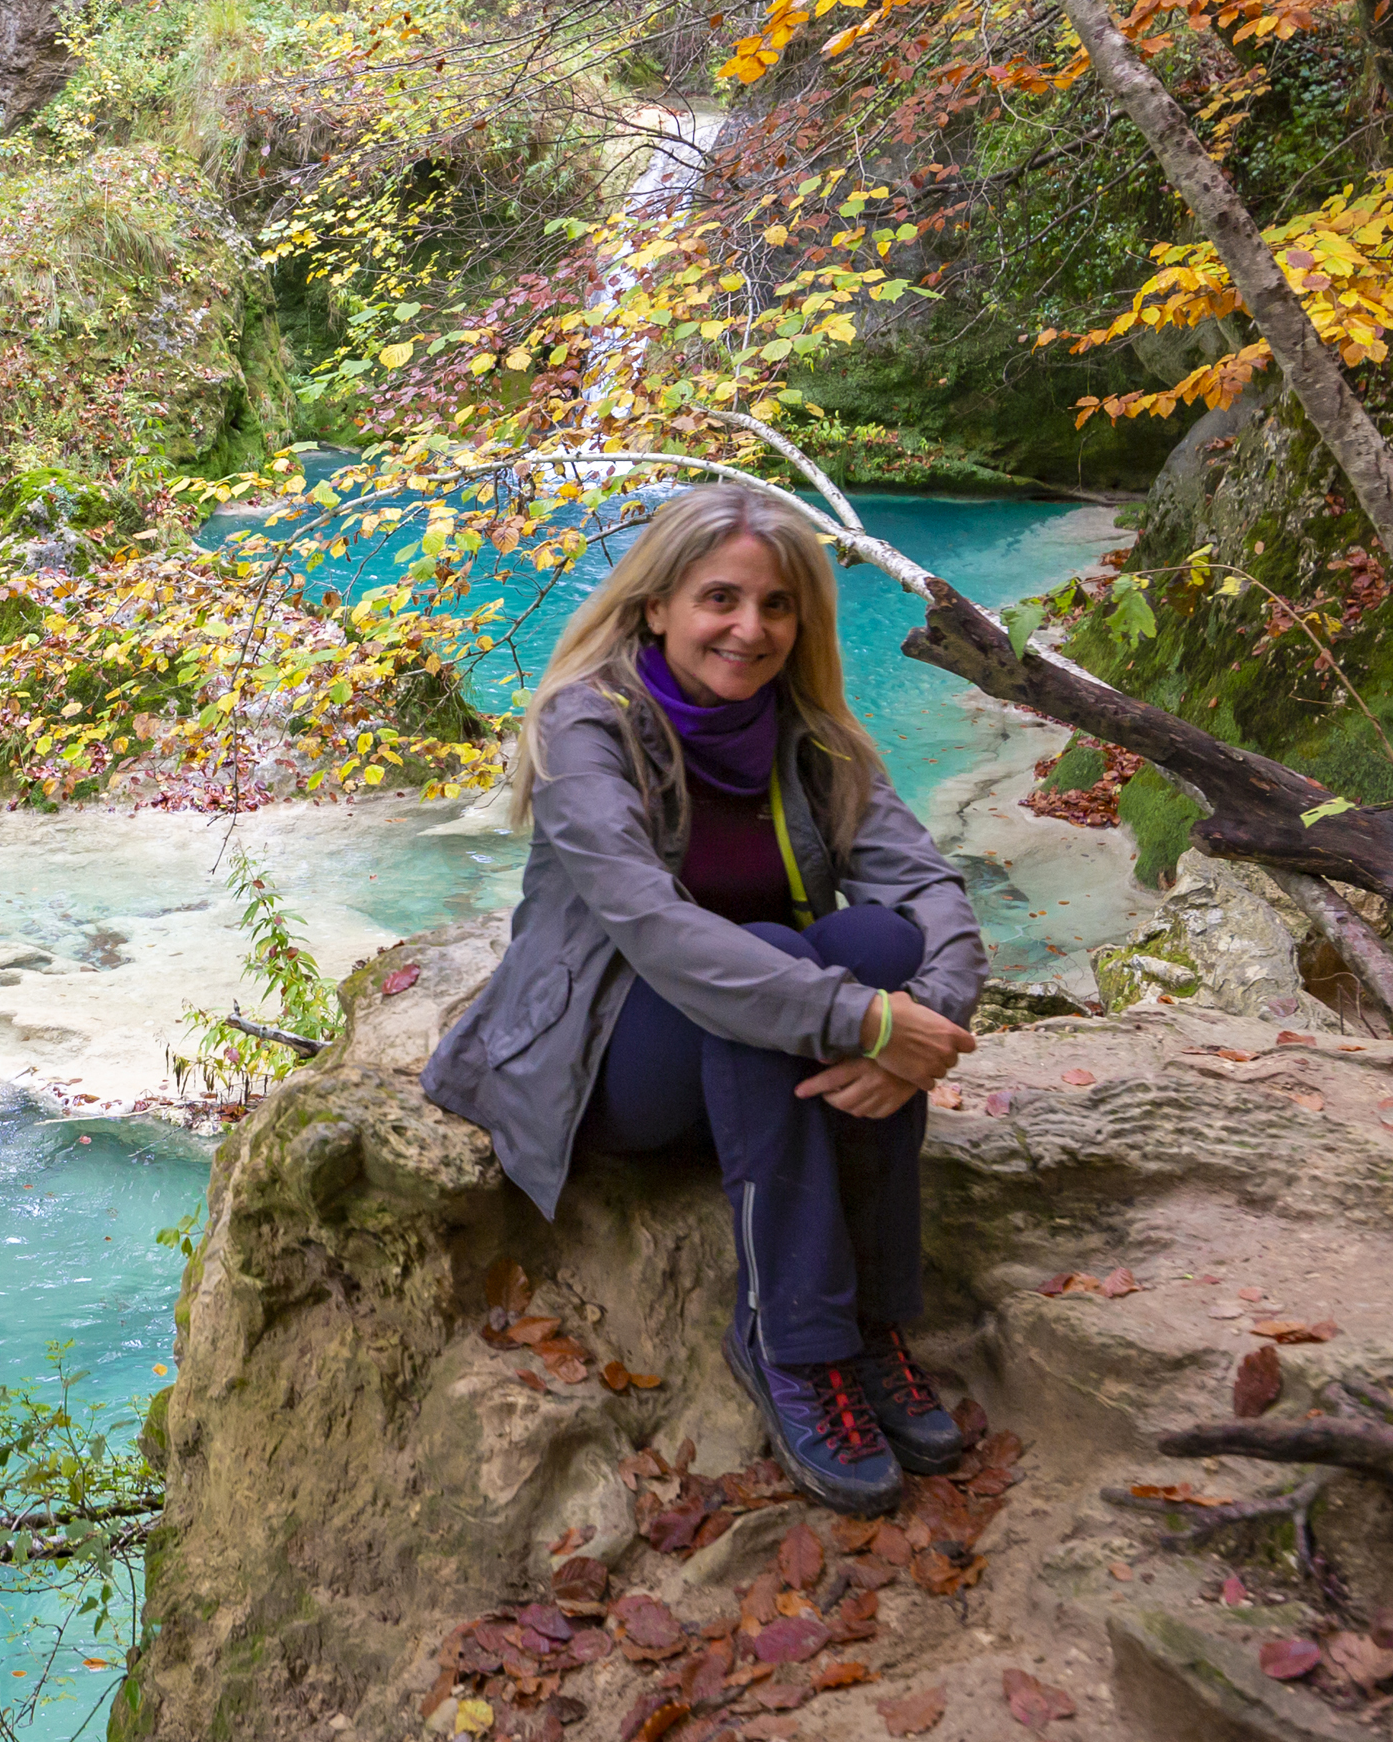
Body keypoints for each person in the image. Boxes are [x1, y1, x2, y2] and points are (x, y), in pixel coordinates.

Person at [423, 483, 988, 1512]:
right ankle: (796, 1337)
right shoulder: (583, 728)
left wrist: (926, 1024)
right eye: (719, 599)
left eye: (776, 606)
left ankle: (871, 1327)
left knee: (879, 938)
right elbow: (658, 931)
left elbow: (928, 888)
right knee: (777, 957)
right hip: (611, 1066)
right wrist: (862, 1021)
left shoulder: (811, 737)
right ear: (657, 606)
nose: (750, 628)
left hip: (760, 1057)